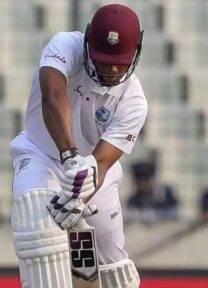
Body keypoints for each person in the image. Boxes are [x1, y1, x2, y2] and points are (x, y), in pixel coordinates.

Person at [10, 4, 146, 287]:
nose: (110, 69)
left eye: (119, 62)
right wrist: (70, 157)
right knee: (39, 228)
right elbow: (54, 95)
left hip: (94, 174)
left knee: (113, 269)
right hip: (41, 155)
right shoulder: (64, 46)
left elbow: (104, 162)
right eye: (103, 59)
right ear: (86, 42)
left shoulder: (133, 101)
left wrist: (79, 192)